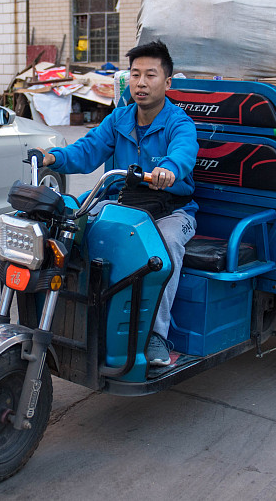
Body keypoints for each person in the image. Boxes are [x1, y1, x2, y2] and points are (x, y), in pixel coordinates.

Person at [38, 41, 198, 367]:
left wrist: (169, 169)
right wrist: (53, 157)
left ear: (167, 82)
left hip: (170, 210)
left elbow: (184, 151)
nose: (141, 83)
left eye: (150, 75)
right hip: (125, 205)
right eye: (135, 74)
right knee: (70, 223)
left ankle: (156, 336)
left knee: (165, 248)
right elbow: (88, 150)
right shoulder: (118, 119)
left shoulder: (179, 123)